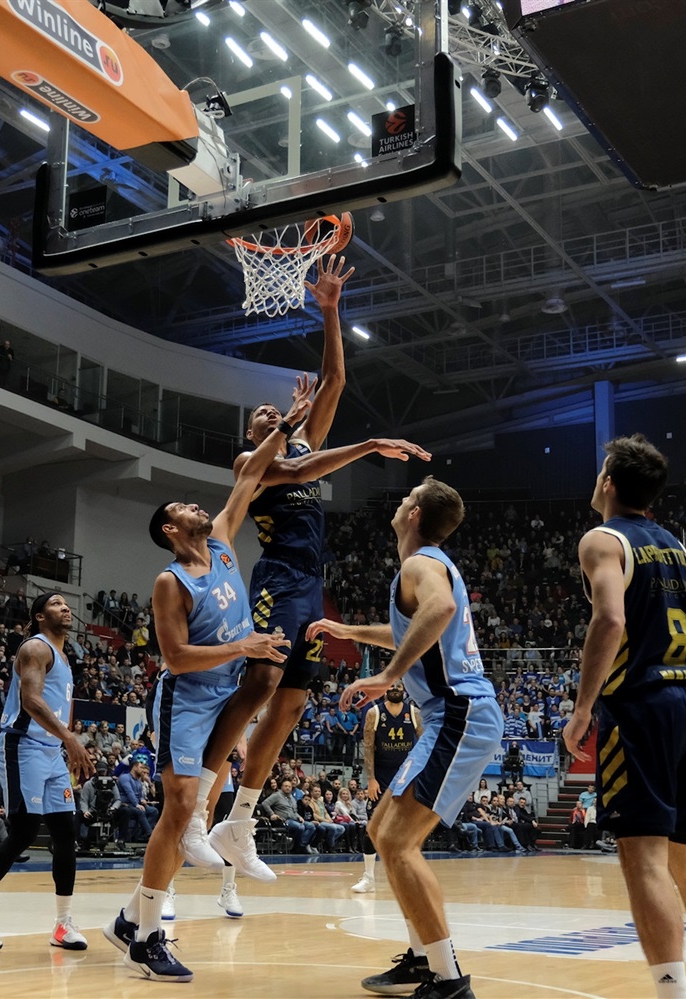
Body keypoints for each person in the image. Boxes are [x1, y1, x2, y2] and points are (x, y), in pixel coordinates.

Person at [200, 257, 429, 914]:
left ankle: (239, 821)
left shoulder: (302, 456)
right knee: (264, 682)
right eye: (262, 414)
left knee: (294, 704)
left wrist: (329, 309)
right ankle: (201, 804)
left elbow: (336, 376)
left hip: (310, 585)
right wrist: (289, 427)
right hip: (274, 576)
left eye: (278, 409)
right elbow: (280, 454)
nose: (271, 412)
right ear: (253, 432)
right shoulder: (254, 462)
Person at [103, 377, 311, 983]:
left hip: (226, 691)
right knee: (182, 807)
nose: (197, 507)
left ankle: (131, 921)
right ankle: (146, 934)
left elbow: (249, 479)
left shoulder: (221, 544)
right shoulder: (171, 582)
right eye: (183, 509)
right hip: (187, 699)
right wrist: (242, 644)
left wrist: (288, 426)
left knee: (195, 804)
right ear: (171, 530)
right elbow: (174, 659)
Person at [309, 476, 502, 999]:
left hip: (458, 710)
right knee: (381, 830)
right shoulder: (424, 567)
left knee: (397, 840)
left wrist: (388, 675)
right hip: (450, 713)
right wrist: (352, 633)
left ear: (415, 513)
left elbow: (438, 612)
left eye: (406, 496)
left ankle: (448, 978)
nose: (399, 501)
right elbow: (412, 627)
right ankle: (422, 959)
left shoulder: (422, 564)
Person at [561, 434, 686, 999]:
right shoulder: (677, 547)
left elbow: (609, 620)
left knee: (643, 861)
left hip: (641, 707)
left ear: (608, 482)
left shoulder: (601, 540)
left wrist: (583, 708)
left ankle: (671, 994)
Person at [0, 593, 94, 952]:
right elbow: (31, 701)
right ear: (41, 616)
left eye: (66, 604)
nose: (66, 607)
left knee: (65, 831)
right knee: (25, 831)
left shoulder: (64, 657)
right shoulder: (35, 648)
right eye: (57, 603)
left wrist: (65, 746)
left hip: (50, 751)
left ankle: (62, 924)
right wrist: (71, 739)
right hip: (22, 746)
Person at [352, 683, 421, 893]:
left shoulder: (414, 712)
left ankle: (410, 876)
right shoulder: (374, 713)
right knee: (372, 828)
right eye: (391, 686)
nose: (395, 689)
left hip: (406, 777)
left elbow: (424, 744)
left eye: (398, 686)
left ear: (404, 690)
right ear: (385, 691)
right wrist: (371, 778)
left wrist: (418, 775)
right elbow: (368, 747)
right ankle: (368, 878)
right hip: (381, 779)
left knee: (409, 829)